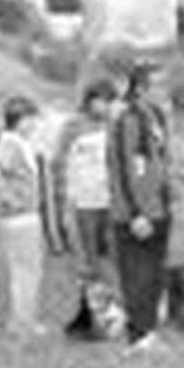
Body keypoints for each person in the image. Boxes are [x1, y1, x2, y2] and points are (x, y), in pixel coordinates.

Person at [109, 62, 174, 352]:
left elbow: (158, 160)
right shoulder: (128, 119)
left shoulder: (156, 116)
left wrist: (167, 195)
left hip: (159, 208)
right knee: (136, 273)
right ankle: (138, 335)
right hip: (134, 212)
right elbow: (123, 169)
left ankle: (149, 330)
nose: (164, 90)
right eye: (158, 85)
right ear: (140, 89)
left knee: (154, 273)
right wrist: (135, 213)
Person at [0, 96, 48, 340]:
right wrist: (10, 198)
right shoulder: (10, 144)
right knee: (27, 271)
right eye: (31, 119)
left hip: (22, 216)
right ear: (20, 120)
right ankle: (23, 325)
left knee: (24, 270)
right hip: (21, 217)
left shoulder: (16, 142)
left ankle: (21, 321)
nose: (34, 125)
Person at [62, 79, 123, 340]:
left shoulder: (115, 126)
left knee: (115, 256)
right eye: (101, 101)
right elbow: (60, 163)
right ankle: (95, 317)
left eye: (110, 101)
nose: (105, 106)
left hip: (110, 202)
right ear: (89, 101)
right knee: (89, 261)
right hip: (84, 203)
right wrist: (66, 201)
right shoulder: (74, 127)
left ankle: (118, 309)